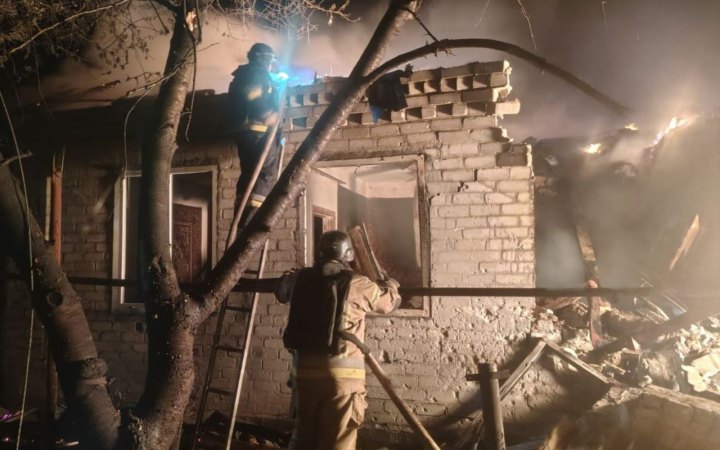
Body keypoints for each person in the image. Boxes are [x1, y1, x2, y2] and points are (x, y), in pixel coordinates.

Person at [274, 230, 401, 450]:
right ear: (349, 254)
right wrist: (391, 285)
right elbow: (389, 303)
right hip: (342, 380)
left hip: (303, 375)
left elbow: (280, 290)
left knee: (304, 440)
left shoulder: (299, 279)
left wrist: (291, 274)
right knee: (338, 442)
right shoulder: (358, 283)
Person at [228, 42, 283, 229]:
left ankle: (244, 215)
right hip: (258, 132)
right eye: (271, 61)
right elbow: (252, 94)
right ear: (265, 59)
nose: (272, 65)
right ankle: (254, 218)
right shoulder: (257, 73)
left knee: (250, 175)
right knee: (264, 173)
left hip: (248, 133)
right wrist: (267, 113)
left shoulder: (244, 74)